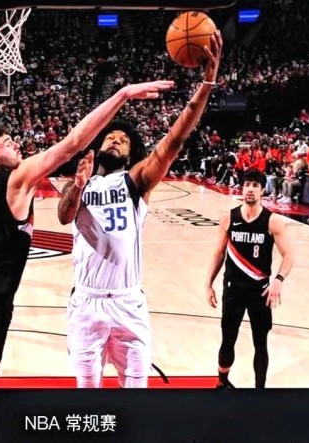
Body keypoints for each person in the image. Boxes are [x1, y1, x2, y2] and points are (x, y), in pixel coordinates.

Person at [0, 79, 175, 388]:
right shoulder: (17, 180)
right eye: (8, 143)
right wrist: (123, 94)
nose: (16, 144)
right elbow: (74, 142)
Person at [57, 30, 223, 388]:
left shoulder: (136, 181)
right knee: (86, 391)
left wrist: (207, 84)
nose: (116, 140)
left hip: (128, 301)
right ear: (99, 145)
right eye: (110, 137)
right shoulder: (82, 182)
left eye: (123, 140)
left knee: (135, 390)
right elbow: (64, 215)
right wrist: (77, 185)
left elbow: (175, 139)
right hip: (86, 300)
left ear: (131, 154)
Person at [206, 169, 293, 388]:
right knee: (228, 338)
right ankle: (222, 381)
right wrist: (208, 284)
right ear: (242, 188)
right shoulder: (229, 217)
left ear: (262, 190)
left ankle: (259, 390)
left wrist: (278, 280)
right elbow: (218, 252)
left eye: (255, 185)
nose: (250, 189)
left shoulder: (272, 221)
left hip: (260, 291)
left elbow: (288, 255)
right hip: (233, 289)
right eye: (247, 185)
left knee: (260, 343)